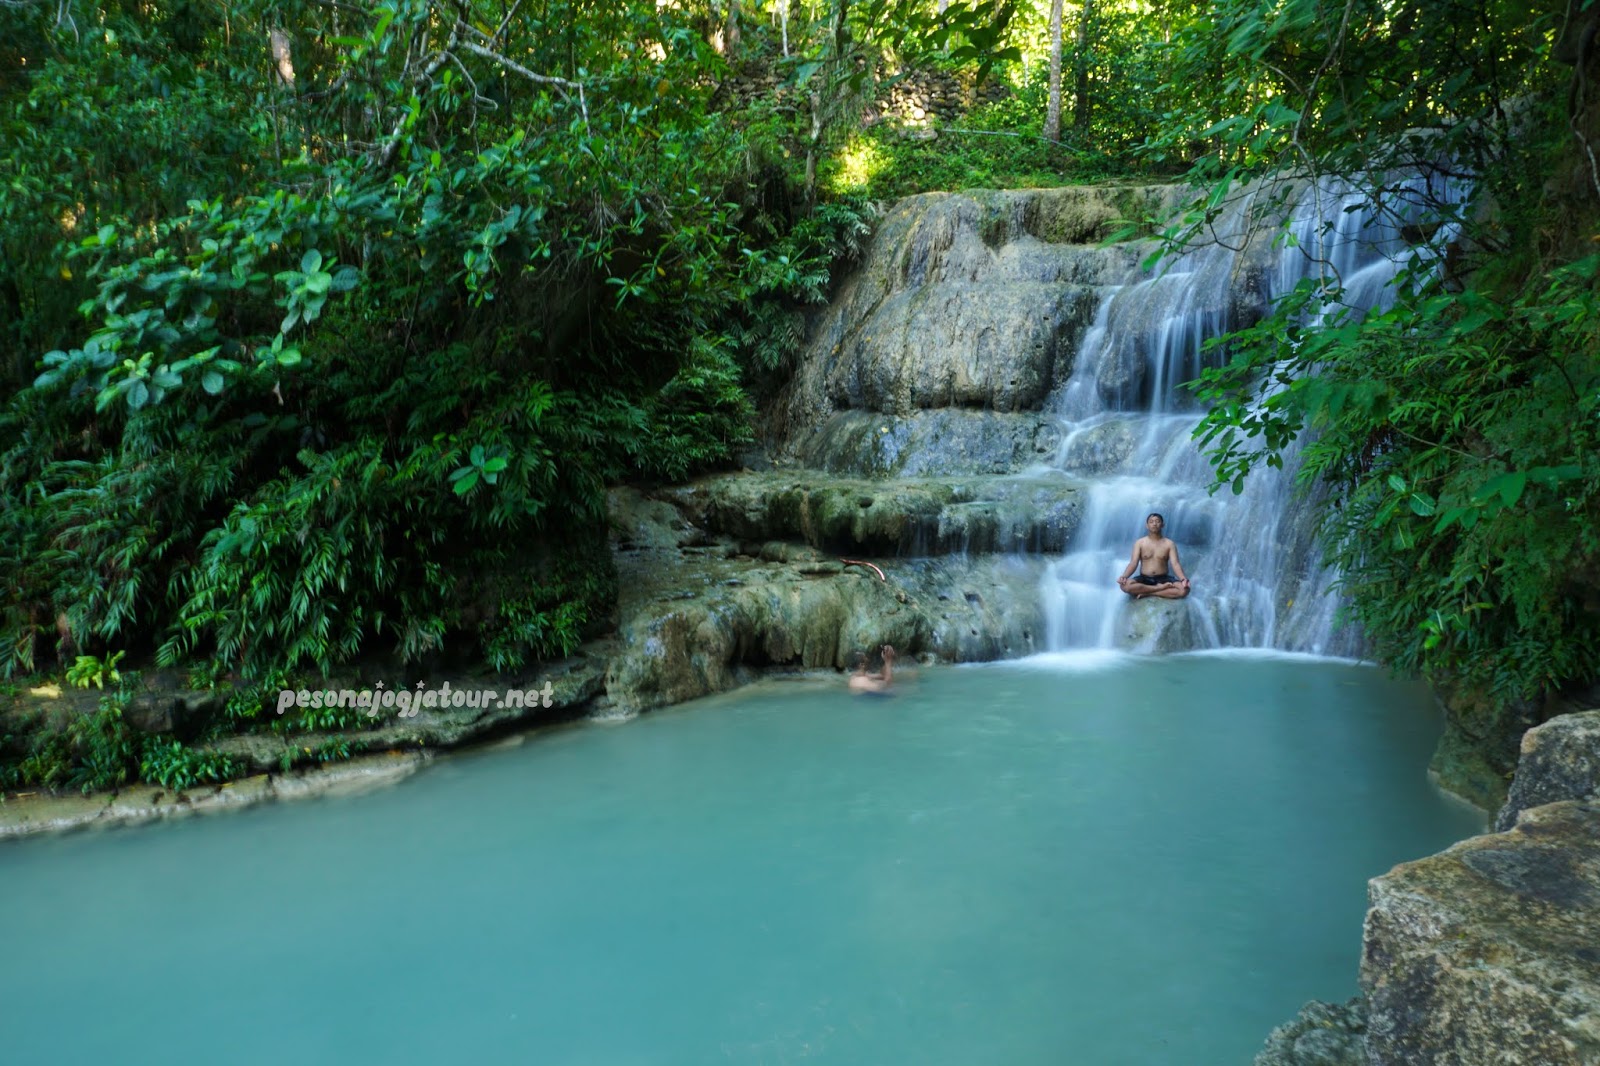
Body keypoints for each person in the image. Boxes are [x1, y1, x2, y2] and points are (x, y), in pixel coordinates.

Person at [1116, 512, 1192, 599]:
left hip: (1164, 578)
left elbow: (1175, 564)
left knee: (1184, 590)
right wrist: (1124, 576)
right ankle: (1159, 589)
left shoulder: (1169, 544)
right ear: (1147, 525)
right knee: (1125, 586)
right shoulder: (1140, 543)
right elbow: (1133, 563)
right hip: (1144, 578)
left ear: (1162, 525)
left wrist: (1183, 579)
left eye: (1157, 521)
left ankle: (1149, 593)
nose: (1154, 524)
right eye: (1151, 522)